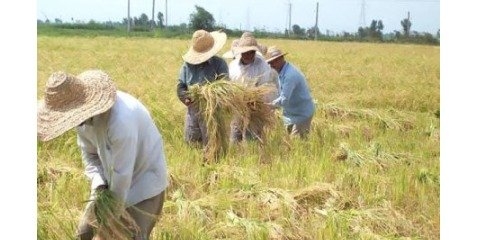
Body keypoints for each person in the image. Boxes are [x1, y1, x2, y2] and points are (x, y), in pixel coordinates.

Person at [37, 70, 169, 240]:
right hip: (109, 184)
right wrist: (99, 184)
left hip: (143, 184)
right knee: (84, 233)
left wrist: (108, 222)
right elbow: (90, 155)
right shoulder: (82, 120)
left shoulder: (121, 121)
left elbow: (122, 176)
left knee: (131, 235)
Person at [177, 29, 229, 146]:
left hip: (213, 111)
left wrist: (209, 94)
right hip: (193, 110)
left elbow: (225, 86)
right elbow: (181, 86)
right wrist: (185, 97)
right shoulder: (187, 66)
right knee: (192, 144)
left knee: (212, 145)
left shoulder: (219, 64)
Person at [228, 32, 279, 143]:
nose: (248, 55)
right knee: (235, 138)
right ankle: (235, 158)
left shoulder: (262, 66)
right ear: (240, 52)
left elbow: (264, 88)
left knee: (253, 139)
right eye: (245, 52)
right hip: (237, 108)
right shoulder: (233, 66)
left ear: (255, 52)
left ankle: (254, 158)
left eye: (251, 52)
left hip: (255, 108)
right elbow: (229, 85)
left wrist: (253, 99)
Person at [265, 46, 315, 139]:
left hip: (301, 114)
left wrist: (268, 106)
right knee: (290, 141)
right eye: (270, 62)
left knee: (297, 144)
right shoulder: (282, 71)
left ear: (281, 58)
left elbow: (284, 99)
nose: (272, 65)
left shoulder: (289, 75)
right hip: (291, 114)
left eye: (275, 61)